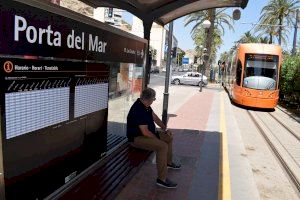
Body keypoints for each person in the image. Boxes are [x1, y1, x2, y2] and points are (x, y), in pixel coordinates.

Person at [127, 88, 181, 189]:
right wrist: (158, 139)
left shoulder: (146, 106)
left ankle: (168, 163)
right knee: (162, 146)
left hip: (148, 134)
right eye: (153, 99)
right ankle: (161, 179)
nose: (153, 101)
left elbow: (155, 117)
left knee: (168, 137)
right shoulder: (138, 109)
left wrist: (165, 129)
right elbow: (145, 132)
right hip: (137, 138)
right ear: (149, 99)